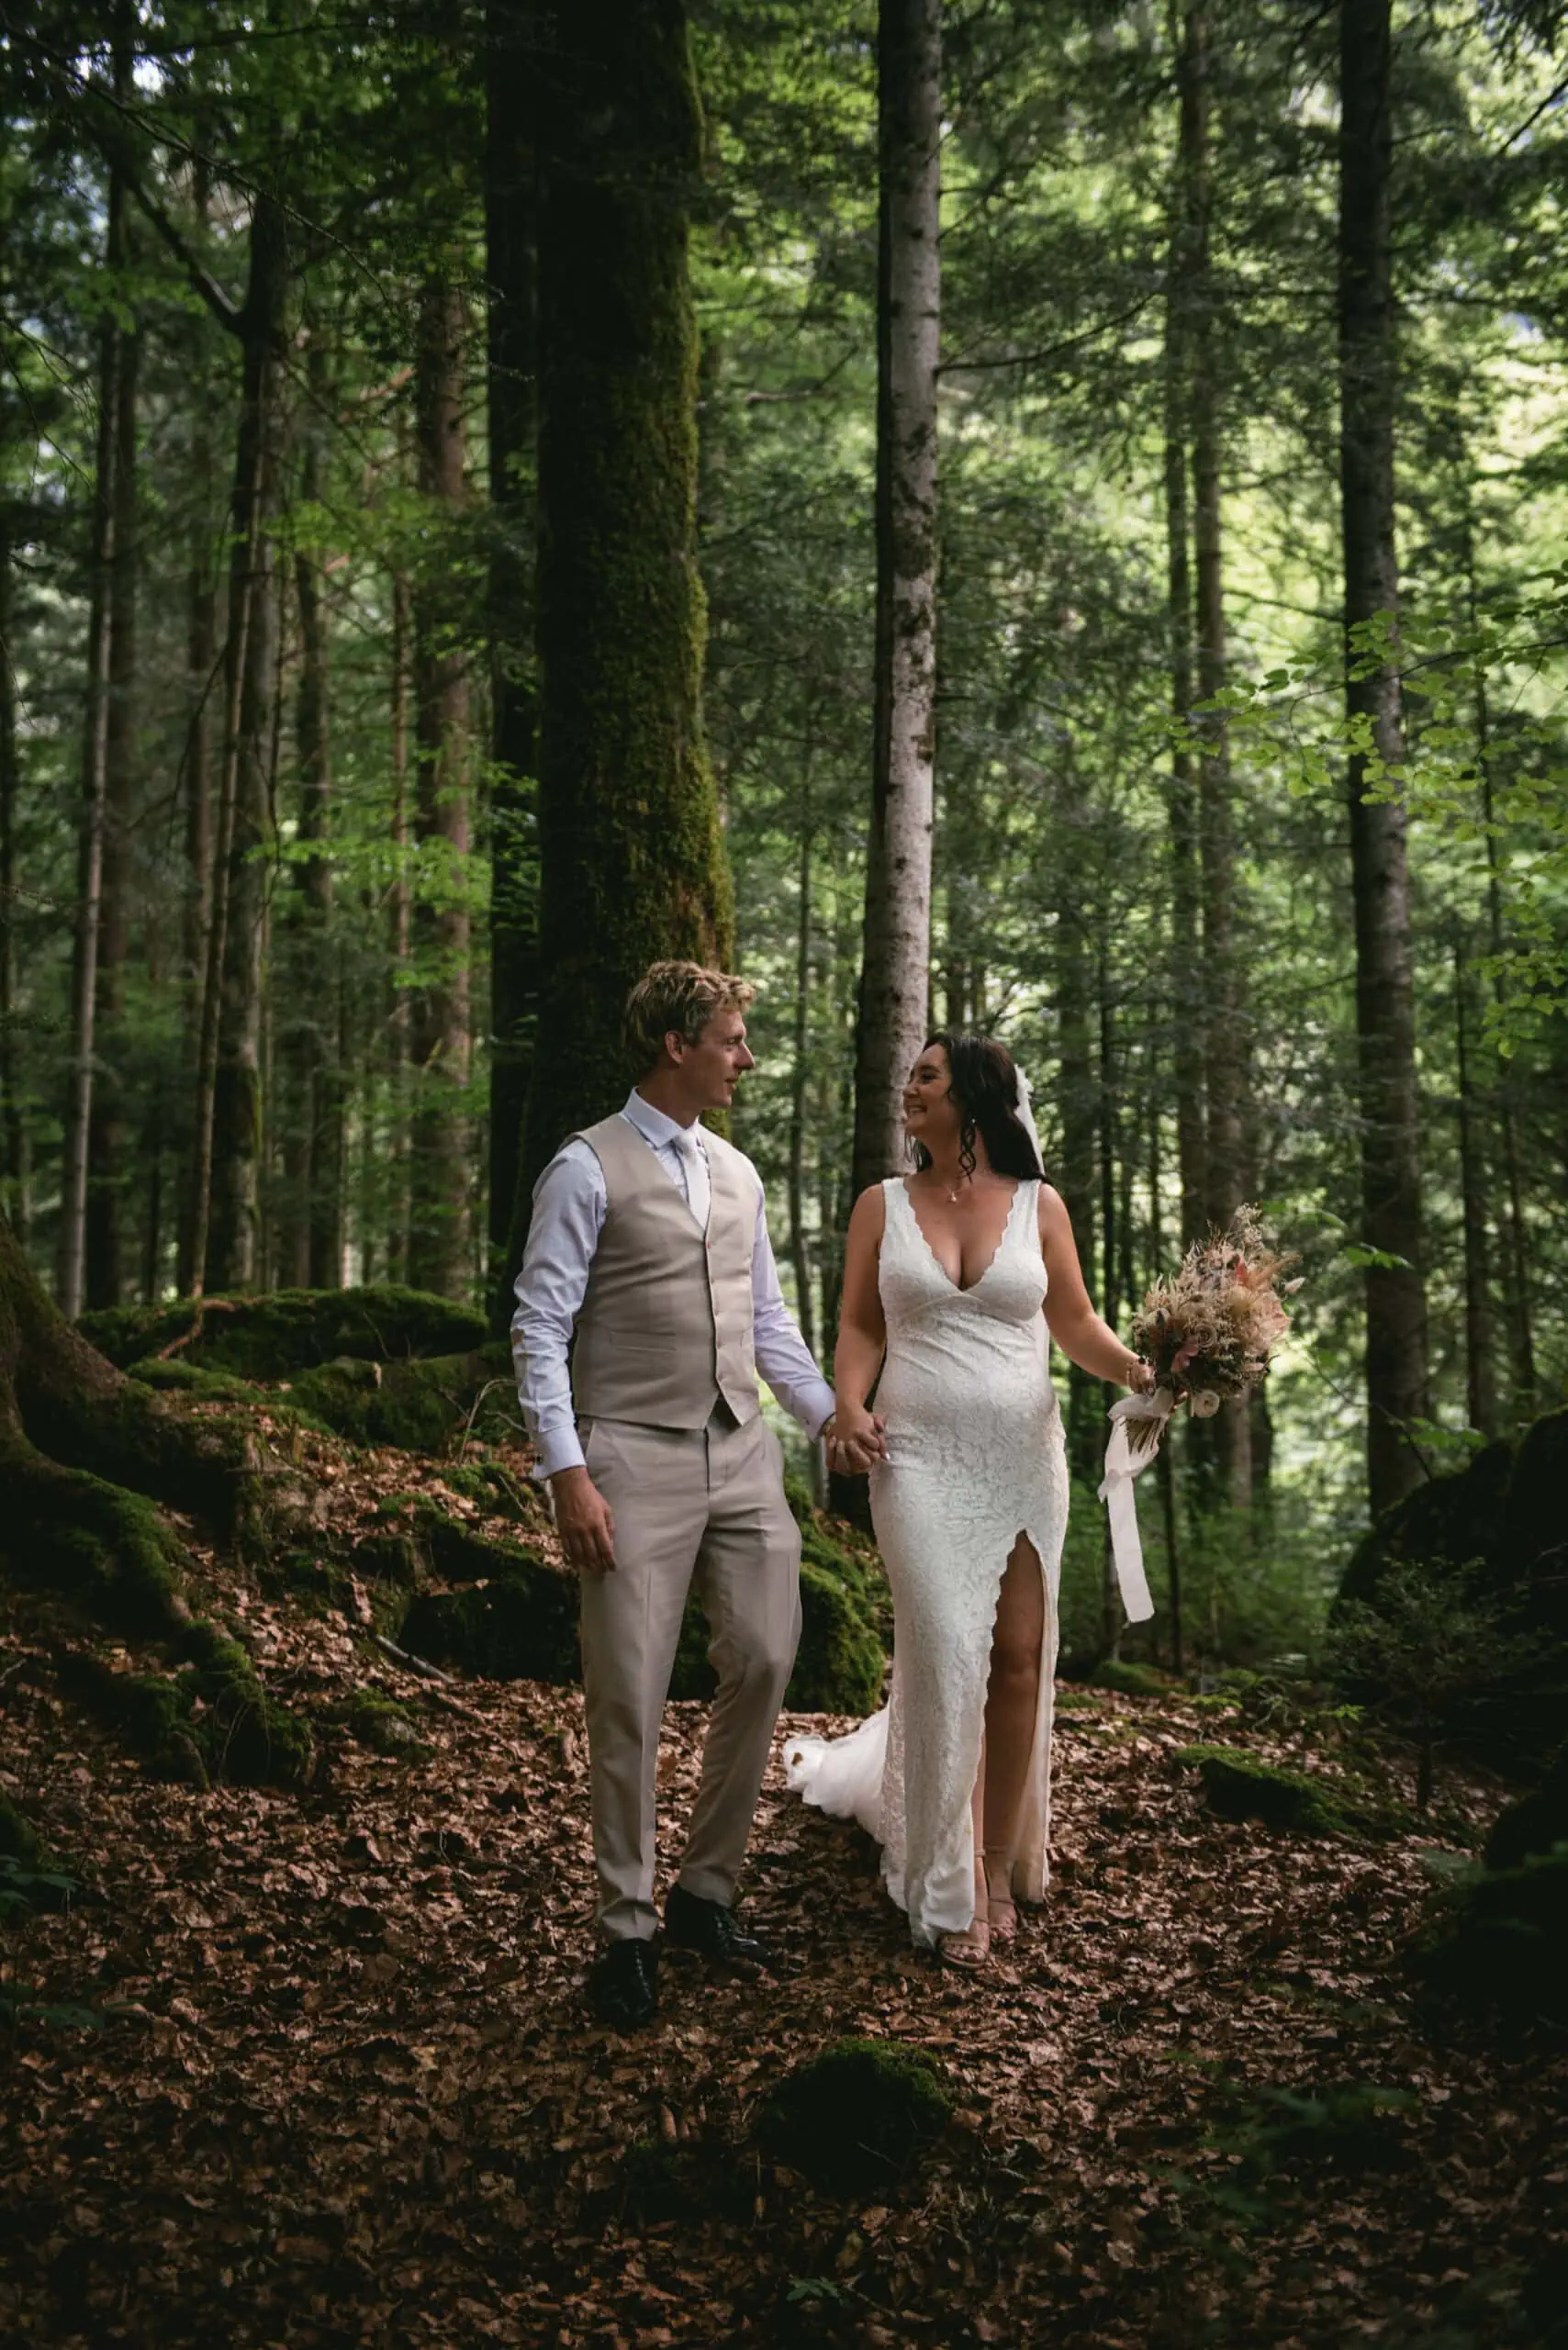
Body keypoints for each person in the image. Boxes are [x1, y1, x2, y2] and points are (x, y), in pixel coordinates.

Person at [510, 960, 879, 2029]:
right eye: (729, 1039)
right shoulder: (584, 1168)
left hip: (742, 1455)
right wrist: (565, 1469)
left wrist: (827, 1416)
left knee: (766, 1654)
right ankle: (624, 1926)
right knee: (625, 1690)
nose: (744, 1058)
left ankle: (705, 1891)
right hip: (627, 1455)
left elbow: (766, 1321)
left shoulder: (737, 1171)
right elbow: (539, 1327)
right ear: (675, 1045)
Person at [785, 1033, 1154, 1966]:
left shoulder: (1040, 1205)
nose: (908, 1086)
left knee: (1019, 1657)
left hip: (1023, 1457)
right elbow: (860, 1323)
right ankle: (940, 1882)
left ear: (977, 1096)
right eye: (909, 1072)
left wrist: (1147, 1371)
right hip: (915, 1458)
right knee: (949, 1648)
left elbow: (1073, 1322)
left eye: (926, 1075)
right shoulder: (881, 1205)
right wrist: (849, 1405)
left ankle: (991, 1866)